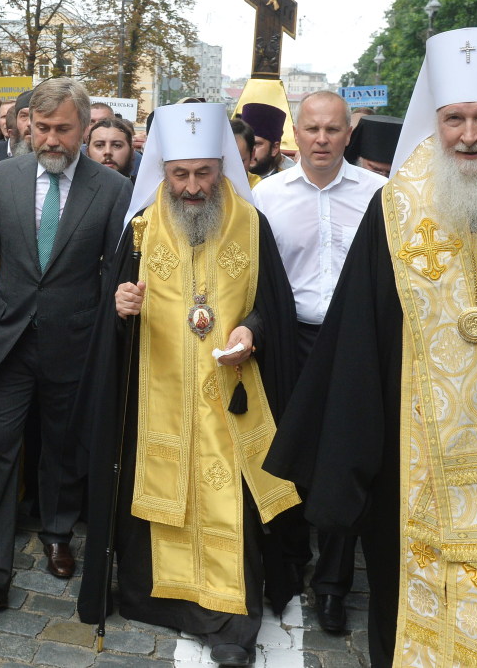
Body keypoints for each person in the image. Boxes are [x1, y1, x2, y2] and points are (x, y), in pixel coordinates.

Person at [266, 27, 477, 668]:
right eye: (455, 119)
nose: (469, 135)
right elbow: (356, 345)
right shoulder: (396, 211)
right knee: (402, 612)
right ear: (436, 123)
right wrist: (345, 475)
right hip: (408, 471)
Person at [78, 103, 300, 668]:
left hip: (232, 399)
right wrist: (120, 306)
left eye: (204, 173)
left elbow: (273, 306)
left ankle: (231, 623)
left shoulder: (251, 225)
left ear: (223, 165)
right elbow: (111, 309)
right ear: (163, 170)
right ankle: (165, 599)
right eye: (181, 174)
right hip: (160, 400)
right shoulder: (141, 227)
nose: (194, 187)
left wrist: (251, 331)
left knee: (230, 499)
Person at [0, 78, 131, 614]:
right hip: (8, 340)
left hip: (75, 341)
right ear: (27, 124)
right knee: (0, 451)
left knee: (61, 445)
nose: (51, 140)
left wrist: (104, 337)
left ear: (84, 129)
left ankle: (57, 533)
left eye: (62, 129)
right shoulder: (2, 179)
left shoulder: (111, 189)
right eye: (41, 127)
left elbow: (112, 274)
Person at [254, 90, 386, 635]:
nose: (323, 140)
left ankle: (332, 585)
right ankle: (286, 564)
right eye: (312, 129)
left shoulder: (382, 195)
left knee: (346, 458)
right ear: (296, 133)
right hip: (291, 340)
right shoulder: (269, 196)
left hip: (357, 343)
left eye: (333, 130)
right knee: (284, 453)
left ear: (348, 134)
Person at [239, 102, 294, 176]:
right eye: (246, 143)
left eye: (256, 144)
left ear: (275, 148)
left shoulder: (291, 176)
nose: (249, 152)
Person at [228, 116, 260, 187]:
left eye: (239, 163)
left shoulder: (260, 189)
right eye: (224, 162)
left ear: (252, 155)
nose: (231, 169)